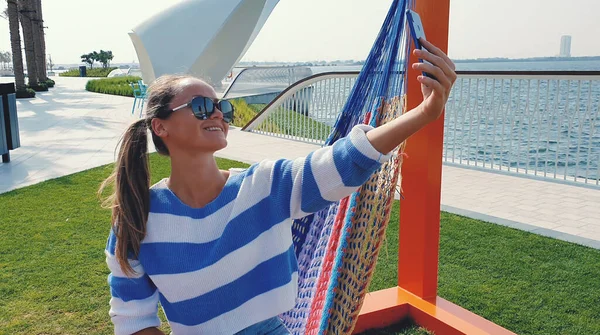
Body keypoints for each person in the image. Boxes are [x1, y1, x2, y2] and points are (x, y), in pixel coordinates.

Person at [100, 39, 456, 335]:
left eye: (222, 106)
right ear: (160, 126)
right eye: (201, 105)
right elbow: (133, 321)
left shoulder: (263, 187)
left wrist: (424, 112)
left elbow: (346, 161)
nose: (218, 114)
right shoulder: (137, 220)